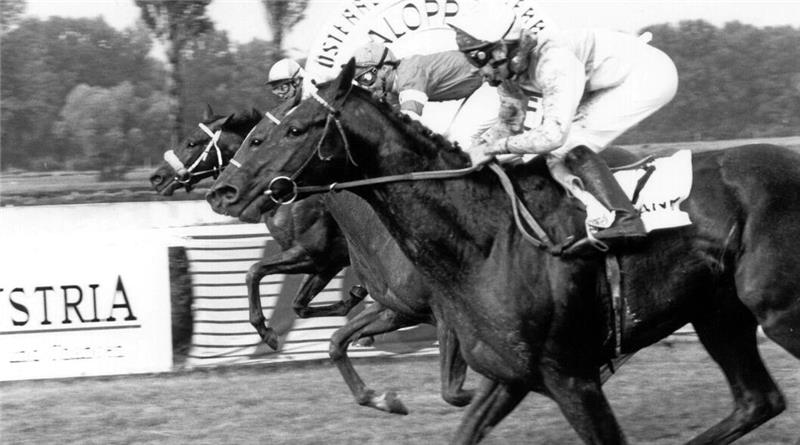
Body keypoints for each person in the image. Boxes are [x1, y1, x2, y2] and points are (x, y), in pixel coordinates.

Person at [451, 5, 678, 252]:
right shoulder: (510, 78)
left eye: (477, 58)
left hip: (647, 75)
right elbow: (508, 124)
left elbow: (553, 136)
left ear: (503, 50)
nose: (474, 67)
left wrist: (493, 149)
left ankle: (626, 220)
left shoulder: (553, 60)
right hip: (610, 81)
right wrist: (471, 153)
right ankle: (592, 214)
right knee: (554, 159)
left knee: (568, 145)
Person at [351, 41, 500, 150]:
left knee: (459, 140)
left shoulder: (409, 74)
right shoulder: (393, 90)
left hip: (494, 83)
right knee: (451, 138)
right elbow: (392, 123)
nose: (366, 87)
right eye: (360, 82)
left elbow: (408, 124)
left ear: (385, 68)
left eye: (367, 78)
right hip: (481, 87)